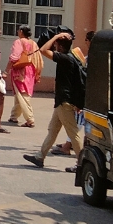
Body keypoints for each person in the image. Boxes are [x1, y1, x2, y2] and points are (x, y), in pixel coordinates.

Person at [24, 29, 87, 169]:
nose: (55, 46)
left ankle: (82, 163)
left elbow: (43, 50)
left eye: (57, 44)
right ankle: (40, 157)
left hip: (65, 101)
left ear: (60, 46)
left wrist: (57, 36)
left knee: (73, 133)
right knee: (53, 130)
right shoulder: (72, 56)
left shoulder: (65, 58)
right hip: (62, 101)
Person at [6, 25, 40, 127]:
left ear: (21, 31)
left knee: (22, 95)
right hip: (30, 70)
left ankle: (30, 119)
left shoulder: (18, 42)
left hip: (20, 71)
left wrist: (6, 70)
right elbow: (38, 59)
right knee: (19, 95)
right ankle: (14, 116)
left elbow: (14, 57)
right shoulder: (34, 43)